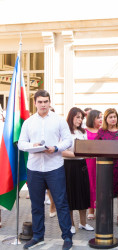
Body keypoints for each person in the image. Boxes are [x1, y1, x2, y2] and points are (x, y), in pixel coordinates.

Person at [18, 90, 73, 250]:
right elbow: (21, 143)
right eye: (40, 102)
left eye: (46, 101)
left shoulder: (59, 120)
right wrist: (32, 146)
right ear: (35, 103)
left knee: (61, 203)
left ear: (50, 102)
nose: (43, 104)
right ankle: (37, 236)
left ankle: (67, 238)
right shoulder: (28, 122)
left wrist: (55, 148)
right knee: (36, 204)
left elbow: (68, 140)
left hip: (54, 167)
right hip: (34, 169)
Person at [95, 108, 118, 227]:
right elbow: (96, 147)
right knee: (106, 192)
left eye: (115, 116)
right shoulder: (101, 132)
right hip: (106, 166)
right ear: (106, 119)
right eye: (110, 117)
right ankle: (106, 215)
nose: (113, 119)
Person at [62, 107, 94, 234]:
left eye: (81, 117)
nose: (80, 120)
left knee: (83, 193)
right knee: (69, 195)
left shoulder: (83, 132)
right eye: (77, 117)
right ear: (71, 117)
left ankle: (83, 223)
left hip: (81, 165)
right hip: (68, 166)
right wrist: (77, 155)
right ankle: (71, 224)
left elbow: (86, 149)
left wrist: (87, 153)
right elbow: (61, 151)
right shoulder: (64, 132)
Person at [85, 110, 102, 220]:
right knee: (90, 183)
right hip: (89, 161)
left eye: (102, 117)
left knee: (100, 184)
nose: (101, 119)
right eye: (98, 117)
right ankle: (91, 209)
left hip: (101, 161)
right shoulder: (84, 131)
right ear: (92, 119)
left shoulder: (103, 131)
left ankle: (101, 209)